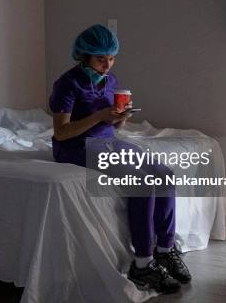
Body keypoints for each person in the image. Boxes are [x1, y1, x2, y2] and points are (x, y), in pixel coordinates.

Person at [49, 24, 191, 294]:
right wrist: (98, 117)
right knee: (142, 181)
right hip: (77, 146)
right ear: (85, 55)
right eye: (101, 58)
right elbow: (61, 131)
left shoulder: (111, 82)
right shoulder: (67, 83)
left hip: (108, 140)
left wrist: (120, 120)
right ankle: (143, 262)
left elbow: (112, 129)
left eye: (111, 58)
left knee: (165, 175)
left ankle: (165, 249)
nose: (108, 64)